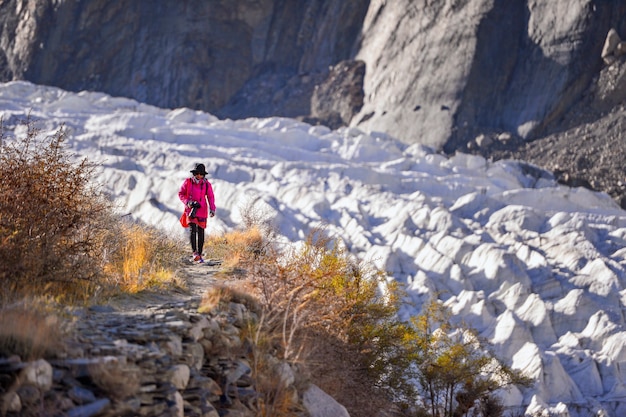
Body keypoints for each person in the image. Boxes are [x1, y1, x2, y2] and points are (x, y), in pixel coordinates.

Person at [178, 163, 216, 263]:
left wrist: (212, 209)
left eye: (201, 174)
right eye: (197, 173)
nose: (199, 175)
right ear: (194, 173)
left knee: (201, 232)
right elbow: (181, 193)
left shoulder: (207, 184)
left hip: (202, 210)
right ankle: (194, 253)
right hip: (191, 210)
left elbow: (210, 197)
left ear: (204, 174)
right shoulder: (188, 182)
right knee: (192, 230)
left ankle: (200, 254)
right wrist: (188, 202)